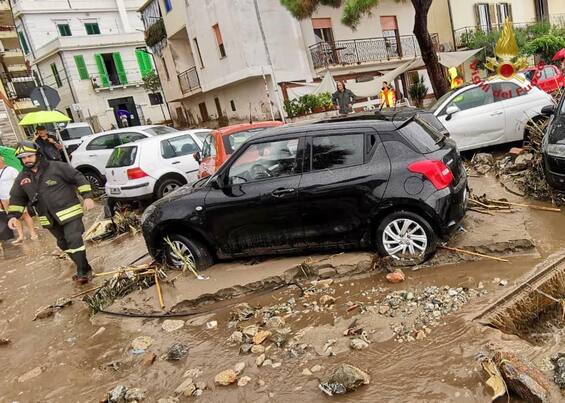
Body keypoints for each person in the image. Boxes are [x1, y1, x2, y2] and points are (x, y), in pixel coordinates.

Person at [7, 141, 95, 285]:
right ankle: (85, 268)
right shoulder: (22, 178)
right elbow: (17, 198)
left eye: (29, 156)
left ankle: (82, 272)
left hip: (70, 213)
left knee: (74, 239)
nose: (26, 160)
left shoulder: (57, 167)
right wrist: (12, 217)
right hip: (48, 219)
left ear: (38, 154)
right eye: (23, 158)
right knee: (64, 244)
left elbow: (78, 177)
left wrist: (88, 196)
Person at [0, 153, 38, 243]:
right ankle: (21, 236)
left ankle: (33, 233)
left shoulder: (11, 170)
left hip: (15, 197)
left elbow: (21, 182)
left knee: (25, 215)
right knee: (13, 217)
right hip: (3, 198)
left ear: (2, 159)